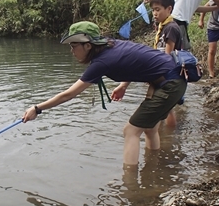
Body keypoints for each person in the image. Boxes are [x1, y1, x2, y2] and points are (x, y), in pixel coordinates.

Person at [22, 21, 186, 167]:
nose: (71, 51)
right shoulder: (111, 44)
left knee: (131, 131)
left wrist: (37, 108)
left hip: (170, 83)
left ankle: (129, 186)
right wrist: (123, 86)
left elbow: (69, 94)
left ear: (88, 45)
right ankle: (153, 169)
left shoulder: (102, 61)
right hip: (171, 77)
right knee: (149, 128)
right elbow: (135, 61)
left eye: (73, 46)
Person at [149, 0, 184, 127]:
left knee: (168, 109)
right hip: (165, 71)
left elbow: (167, 55)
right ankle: (164, 135)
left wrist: (156, 74)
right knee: (164, 107)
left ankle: (168, 139)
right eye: (153, 10)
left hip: (168, 72)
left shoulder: (170, 28)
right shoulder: (164, 26)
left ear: (169, 9)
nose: (154, 14)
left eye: (158, 10)